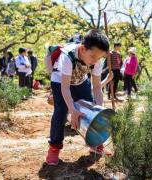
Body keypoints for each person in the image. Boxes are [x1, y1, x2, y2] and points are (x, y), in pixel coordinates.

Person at [46, 29, 112, 166]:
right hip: (60, 81)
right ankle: (54, 147)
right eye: (93, 56)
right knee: (61, 112)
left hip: (81, 80)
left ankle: (95, 142)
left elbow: (97, 87)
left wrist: (98, 108)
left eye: (99, 58)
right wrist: (72, 109)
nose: (95, 61)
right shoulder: (68, 56)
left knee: (90, 108)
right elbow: (65, 88)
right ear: (82, 49)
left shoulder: (97, 61)